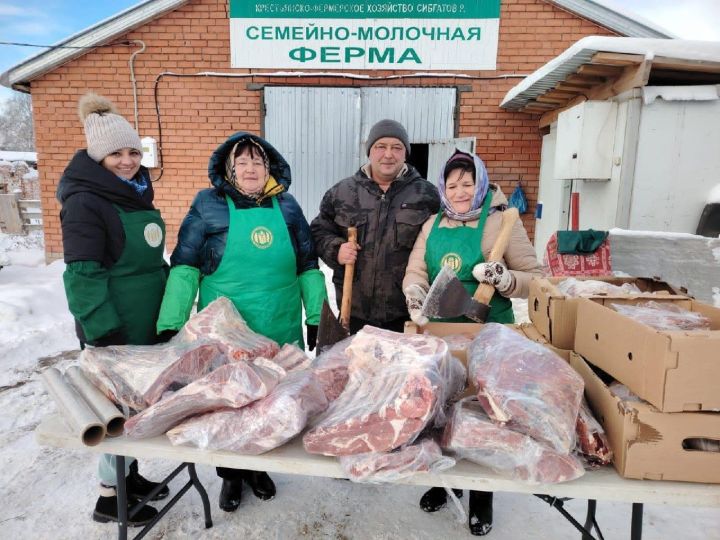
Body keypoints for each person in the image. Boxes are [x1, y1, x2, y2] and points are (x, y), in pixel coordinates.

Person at [156, 132, 327, 512]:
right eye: (243, 162)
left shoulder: (288, 206)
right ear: (230, 169)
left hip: (279, 322)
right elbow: (185, 267)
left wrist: (316, 315)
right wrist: (172, 323)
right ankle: (230, 475)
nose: (251, 169)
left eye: (258, 162)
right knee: (229, 403)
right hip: (228, 329)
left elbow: (308, 265)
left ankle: (258, 467)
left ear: (270, 167)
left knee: (272, 401)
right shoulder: (207, 205)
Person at [402, 149, 543, 536]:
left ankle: (482, 494)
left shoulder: (502, 222)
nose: (460, 191)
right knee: (441, 410)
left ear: (480, 183)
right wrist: (415, 294)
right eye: (452, 185)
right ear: (443, 189)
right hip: (440, 333)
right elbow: (415, 271)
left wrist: (504, 279)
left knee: (483, 414)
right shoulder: (432, 224)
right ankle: (445, 482)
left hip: (489, 332)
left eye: (467, 183)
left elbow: (536, 278)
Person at [57, 93, 171, 526]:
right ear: (96, 156)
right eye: (115, 154)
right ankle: (110, 498)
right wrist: (102, 335)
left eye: (133, 152)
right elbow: (82, 275)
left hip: (144, 322)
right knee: (115, 413)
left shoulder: (131, 192)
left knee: (134, 408)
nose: (127, 162)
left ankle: (130, 478)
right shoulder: (87, 201)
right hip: (115, 329)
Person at [311, 119, 440, 333]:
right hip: (353, 312)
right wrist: (336, 249)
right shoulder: (342, 193)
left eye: (396, 147)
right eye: (381, 146)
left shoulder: (427, 195)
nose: (388, 154)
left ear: (405, 153)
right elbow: (319, 230)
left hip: (408, 315)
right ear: (369, 152)